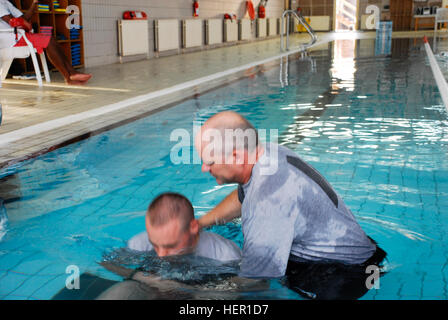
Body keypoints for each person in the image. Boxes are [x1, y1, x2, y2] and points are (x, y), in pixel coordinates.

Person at [194, 111, 387, 299]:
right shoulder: (266, 154)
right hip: (359, 253)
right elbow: (242, 197)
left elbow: (254, 283)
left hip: (343, 275)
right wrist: (201, 223)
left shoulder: (267, 203)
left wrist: (182, 293)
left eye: (209, 161)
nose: (204, 168)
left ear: (236, 157)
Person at [128, 192, 242, 262]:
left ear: (193, 227)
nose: (161, 255)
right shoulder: (138, 245)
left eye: (171, 246)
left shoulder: (225, 256)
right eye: (154, 245)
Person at [0, 0, 92, 85]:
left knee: (51, 39)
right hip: (11, 38)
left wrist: (34, 3)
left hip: (20, 35)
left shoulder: (6, 2)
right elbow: (12, 21)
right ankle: (68, 78)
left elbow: (24, 18)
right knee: (48, 41)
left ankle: (72, 73)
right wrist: (26, 25)